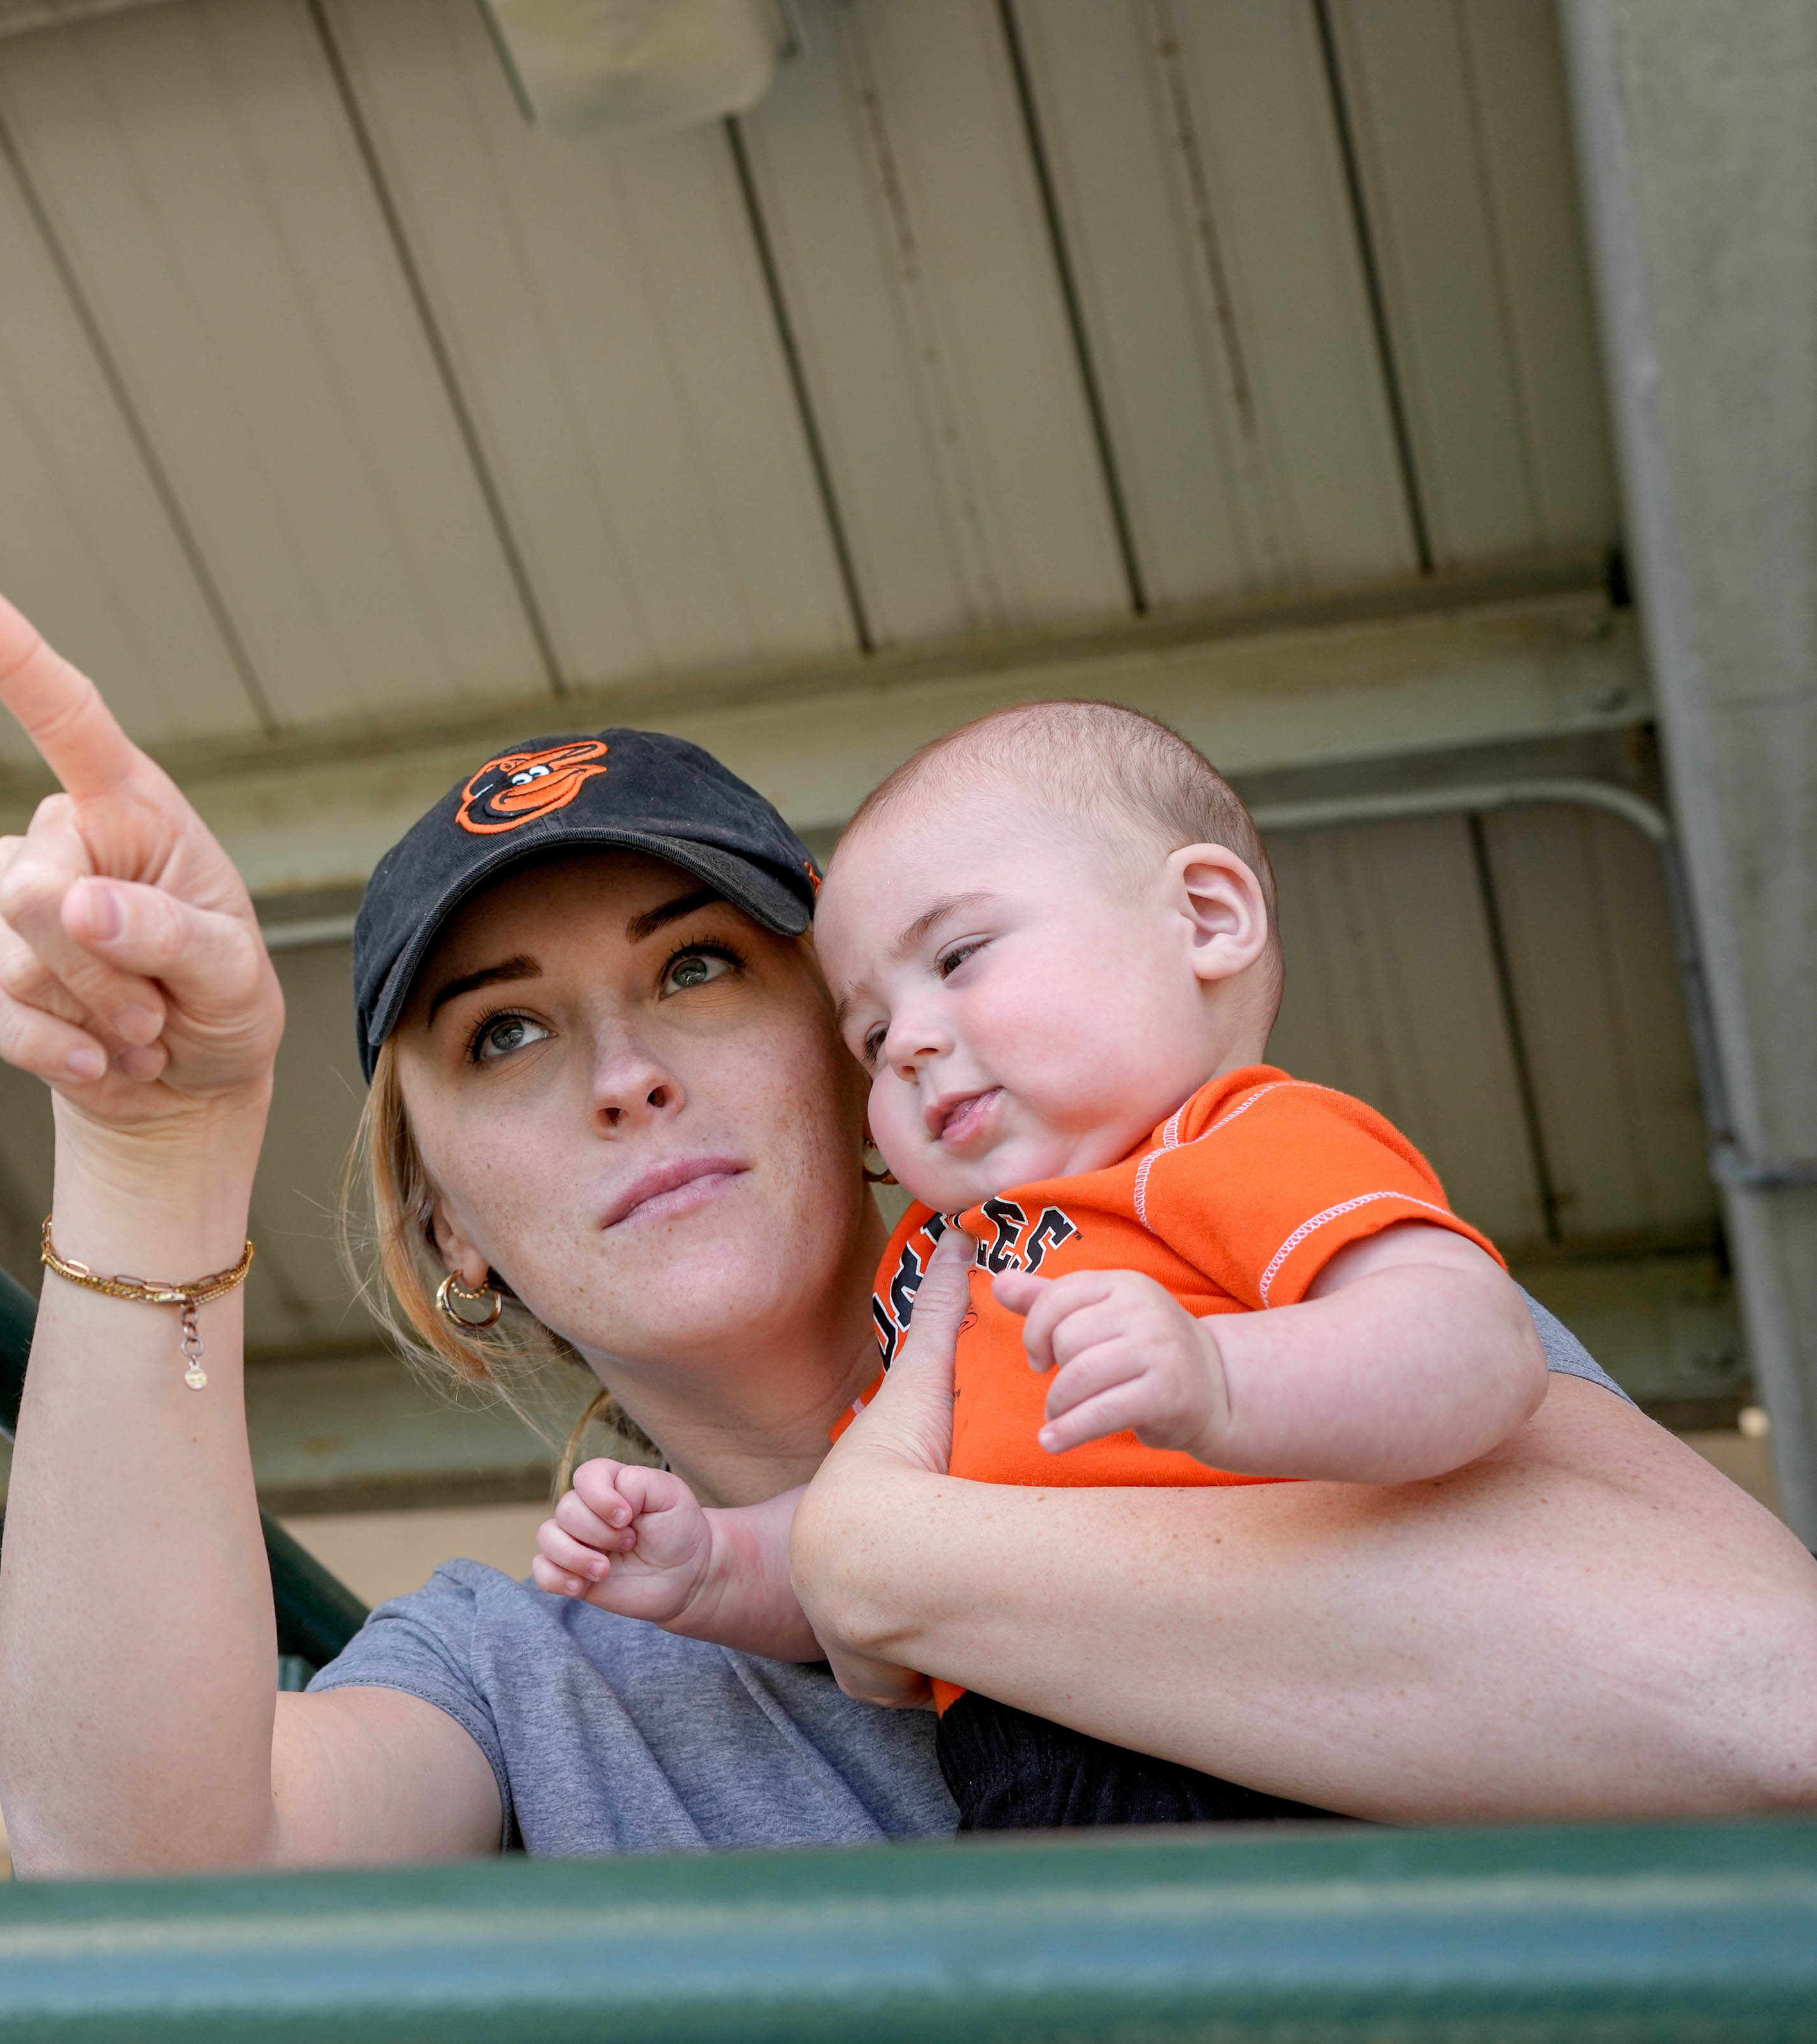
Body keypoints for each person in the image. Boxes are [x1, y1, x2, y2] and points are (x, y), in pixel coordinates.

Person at [0, 570, 1817, 1868]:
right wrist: (161, 1145)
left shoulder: (1217, 1306)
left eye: (697, 970)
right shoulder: (532, 1674)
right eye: (501, 1031)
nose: (620, 1074)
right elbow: (144, 1866)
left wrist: (898, 1564)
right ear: (449, 1235)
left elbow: (1758, 1700)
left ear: (868, 1065)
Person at [531, 701, 1551, 1830]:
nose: (909, 1039)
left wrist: (1221, 1378)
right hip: (1025, 1769)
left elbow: (1477, 1346)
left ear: (1205, 917)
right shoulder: (939, 1264)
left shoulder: (1236, 1141)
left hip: (1277, 1724)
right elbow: (882, 1525)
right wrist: (722, 1566)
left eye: (959, 955)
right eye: (870, 1037)